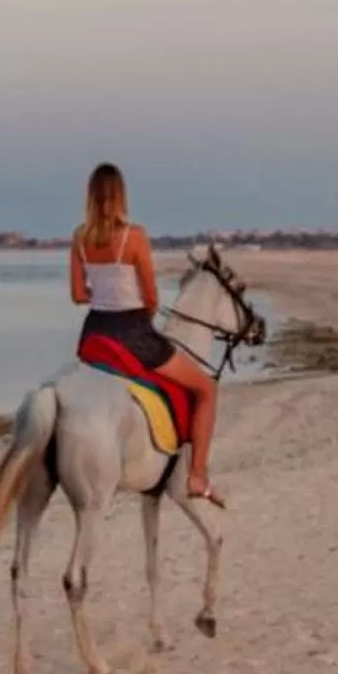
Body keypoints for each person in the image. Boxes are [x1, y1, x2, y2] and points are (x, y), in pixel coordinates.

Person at [69, 160, 221, 505]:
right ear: (121, 195)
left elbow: (78, 295)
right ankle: (197, 475)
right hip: (133, 333)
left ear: (91, 196)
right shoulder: (134, 237)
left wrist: (102, 296)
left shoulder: (80, 238)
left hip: (93, 337)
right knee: (206, 389)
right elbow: (151, 297)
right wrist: (136, 307)